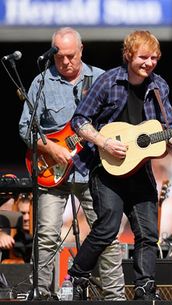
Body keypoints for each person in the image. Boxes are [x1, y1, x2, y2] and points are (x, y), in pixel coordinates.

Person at [67, 30, 172, 300]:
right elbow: (79, 121)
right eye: (144, 57)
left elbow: (167, 136)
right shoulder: (108, 81)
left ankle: (145, 288)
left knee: (148, 233)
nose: (150, 63)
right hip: (106, 168)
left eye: (155, 58)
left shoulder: (159, 87)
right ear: (128, 55)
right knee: (108, 226)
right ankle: (77, 274)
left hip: (139, 170)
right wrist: (103, 142)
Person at [18, 27, 125, 300]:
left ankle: (114, 295)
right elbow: (25, 128)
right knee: (47, 235)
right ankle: (43, 294)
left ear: (81, 50)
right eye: (59, 57)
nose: (65, 62)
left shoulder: (101, 79)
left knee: (107, 233)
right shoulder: (41, 82)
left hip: (92, 169)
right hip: (51, 171)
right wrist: (50, 148)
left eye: (71, 56)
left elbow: (119, 122)